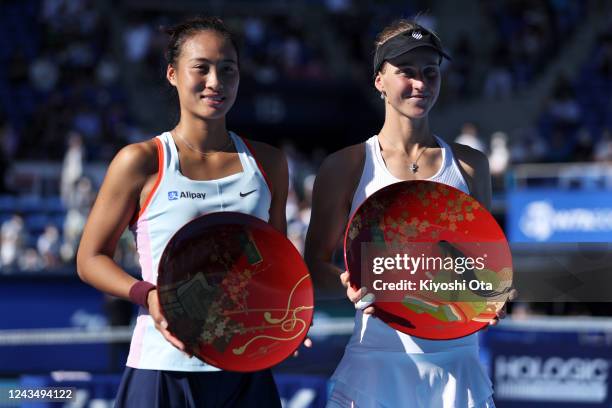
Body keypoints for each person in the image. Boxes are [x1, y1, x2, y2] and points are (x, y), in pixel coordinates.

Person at [77, 17, 290, 407]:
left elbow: (274, 265)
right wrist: (148, 295)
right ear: (173, 74)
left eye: (228, 70)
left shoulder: (269, 162)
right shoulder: (141, 161)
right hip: (163, 365)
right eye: (202, 68)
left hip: (247, 367)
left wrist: (290, 318)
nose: (216, 81)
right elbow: (89, 259)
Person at [305, 20, 511, 407]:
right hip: (376, 365)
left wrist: (490, 297)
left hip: (458, 365)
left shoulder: (470, 165)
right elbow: (314, 265)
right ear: (379, 80)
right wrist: (350, 286)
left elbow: (481, 265)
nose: (420, 83)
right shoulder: (346, 164)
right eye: (407, 72)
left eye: (430, 73)